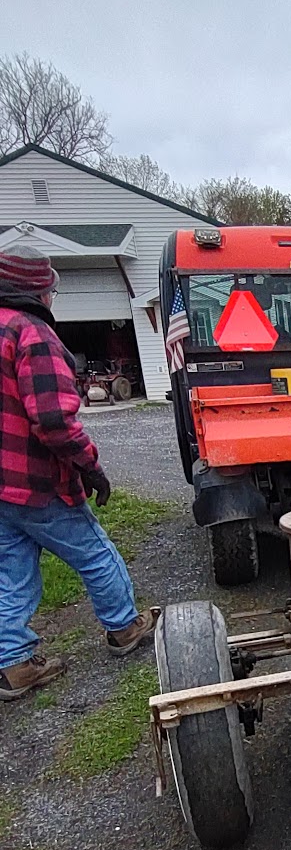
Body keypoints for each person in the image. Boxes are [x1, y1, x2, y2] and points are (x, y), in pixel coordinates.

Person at [0, 244, 155, 700]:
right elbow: (52, 420)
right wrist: (91, 467)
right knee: (94, 552)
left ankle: (13, 663)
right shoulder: (31, 334)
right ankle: (125, 628)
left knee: (9, 569)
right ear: (39, 291)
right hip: (37, 482)